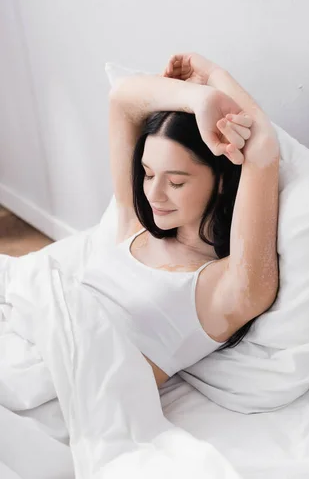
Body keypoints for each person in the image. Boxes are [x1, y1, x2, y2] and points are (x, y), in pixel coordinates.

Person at [99, 52, 280, 388]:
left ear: (221, 181)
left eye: (176, 182)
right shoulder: (134, 228)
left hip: (79, 378)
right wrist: (198, 97)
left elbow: (263, 146)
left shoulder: (230, 288)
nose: (154, 194)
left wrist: (215, 73)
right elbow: (121, 99)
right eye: (148, 174)